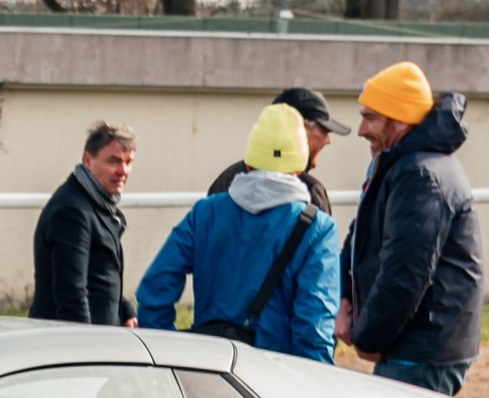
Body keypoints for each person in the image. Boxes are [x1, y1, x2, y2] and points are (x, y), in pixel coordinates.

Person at [133, 103, 341, 363]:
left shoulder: (205, 213)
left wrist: (170, 357)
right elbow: (314, 326)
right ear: (300, 168)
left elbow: (155, 290)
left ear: (249, 164)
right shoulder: (318, 228)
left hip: (210, 370)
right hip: (277, 377)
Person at [338, 60, 484, 392]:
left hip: (421, 352)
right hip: (415, 345)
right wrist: (346, 300)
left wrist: (368, 335)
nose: (361, 130)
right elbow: (358, 239)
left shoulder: (419, 175)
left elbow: (405, 274)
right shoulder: (400, 165)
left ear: (400, 121)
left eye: (370, 117)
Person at [30, 121, 135, 327]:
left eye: (128, 162)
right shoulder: (72, 211)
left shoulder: (97, 205)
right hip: (71, 345)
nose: (123, 170)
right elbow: (71, 293)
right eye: (113, 161)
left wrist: (124, 310)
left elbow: (98, 279)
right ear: (88, 159)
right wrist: (85, 347)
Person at [207, 85, 336, 214]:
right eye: (324, 131)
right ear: (300, 128)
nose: (328, 140)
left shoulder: (226, 180)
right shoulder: (309, 190)